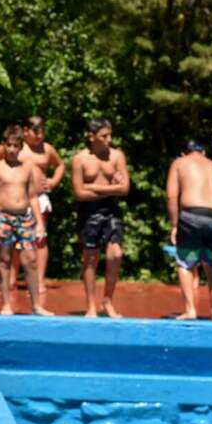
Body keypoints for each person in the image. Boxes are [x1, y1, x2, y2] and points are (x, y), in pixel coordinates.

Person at [0, 115, 64, 293]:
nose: (39, 135)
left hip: (39, 198)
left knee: (40, 239)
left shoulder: (48, 149)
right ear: (26, 131)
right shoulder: (17, 145)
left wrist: (53, 181)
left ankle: (39, 281)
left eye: (42, 130)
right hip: (17, 199)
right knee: (12, 242)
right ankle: (11, 279)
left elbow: (60, 165)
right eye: (35, 130)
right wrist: (2, 175)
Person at [0, 125, 52, 316]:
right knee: (4, 259)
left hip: (24, 217)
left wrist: (39, 223)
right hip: (2, 216)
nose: (12, 149)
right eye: (8, 145)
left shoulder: (27, 169)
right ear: (3, 146)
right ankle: (6, 304)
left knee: (29, 260)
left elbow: (32, 197)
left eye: (15, 146)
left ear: (21, 147)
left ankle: (36, 305)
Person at [166, 140, 212, 320]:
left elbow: (172, 196)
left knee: (186, 262)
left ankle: (190, 310)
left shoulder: (179, 163)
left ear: (184, 153)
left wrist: (174, 224)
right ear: (203, 153)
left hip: (193, 213)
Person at [71, 118, 130, 318]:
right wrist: (111, 189)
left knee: (115, 255)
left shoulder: (117, 156)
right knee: (90, 257)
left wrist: (95, 188)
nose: (109, 139)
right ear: (91, 136)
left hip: (111, 209)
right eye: (104, 136)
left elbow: (125, 189)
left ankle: (108, 301)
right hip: (89, 211)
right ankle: (90, 305)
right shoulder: (79, 160)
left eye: (110, 135)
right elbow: (79, 193)